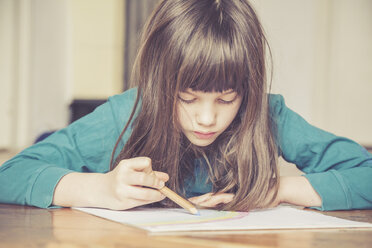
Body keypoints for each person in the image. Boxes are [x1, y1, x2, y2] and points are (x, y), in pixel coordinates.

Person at [0, 0, 371, 212]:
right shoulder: (128, 114)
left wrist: (278, 190)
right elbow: (11, 174)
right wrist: (101, 189)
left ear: (250, 89)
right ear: (160, 84)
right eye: (187, 98)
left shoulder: (268, 115)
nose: (207, 118)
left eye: (227, 99)